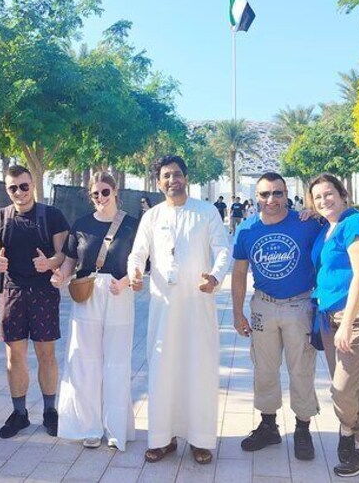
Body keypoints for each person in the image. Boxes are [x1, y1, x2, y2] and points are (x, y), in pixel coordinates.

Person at [127, 155, 230, 465]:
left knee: (199, 368)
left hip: (198, 306)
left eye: (177, 174)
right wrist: (134, 271)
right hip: (163, 309)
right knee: (163, 370)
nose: (172, 180)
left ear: (187, 177)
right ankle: (162, 439)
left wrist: (215, 276)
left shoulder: (206, 212)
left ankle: (200, 440)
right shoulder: (152, 216)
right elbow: (138, 252)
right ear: (159, 182)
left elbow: (223, 248)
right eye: (166, 176)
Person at [231, 172, 322, 462]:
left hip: (299, 306)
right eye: (264, 194)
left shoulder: (306, 224)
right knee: (265, 369)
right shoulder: (246, 230)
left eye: (277, 193)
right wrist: (237, 313)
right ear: (256, 197)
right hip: (263, 306)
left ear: (287, 194)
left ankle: (303, 428)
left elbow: (338, 240)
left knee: (301, 369)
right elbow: (239, 273)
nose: (271, 200)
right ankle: (268, 426)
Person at [51, 173, 139, 451]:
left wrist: (125, 282)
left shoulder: (132, 225)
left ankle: (115, 429)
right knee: (84, 362)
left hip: (118, 292)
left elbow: (143, 264)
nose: (100, 198)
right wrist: (60, 277)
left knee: (116, 362)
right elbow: (70, 261)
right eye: (95, 194)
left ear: (115, 191)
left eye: (105, 192)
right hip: (86, 293)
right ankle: (88, 427)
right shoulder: (81, 225)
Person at [310, 173, 359, 478]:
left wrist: (348, 323)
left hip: (358, 314)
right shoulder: (328, 229)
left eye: (329, 194)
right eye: (317, 197)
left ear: (343, 194)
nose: (324, 201)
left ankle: (347, 429)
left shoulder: (355, 223)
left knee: (342, 388)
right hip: (329, 315)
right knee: (353, 382)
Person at [0, 166, 70, 439]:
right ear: (6, 190)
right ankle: (19, 414)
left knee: (47, 355)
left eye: (23, 186)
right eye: (13, 188)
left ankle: (49, 411)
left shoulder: (52, 216)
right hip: (12, 292)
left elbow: (63, 255)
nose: (19, 192)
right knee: (14, 356)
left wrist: (49, 263)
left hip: (44, 293)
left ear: (33, 184)